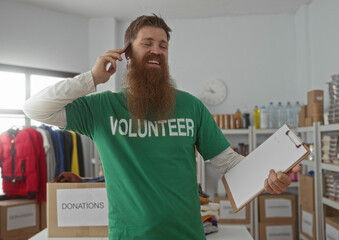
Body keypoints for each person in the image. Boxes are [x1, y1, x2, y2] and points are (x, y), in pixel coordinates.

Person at [23, 14, 301, 239]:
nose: (156, 50)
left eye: (163, 45)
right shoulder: (101, 109)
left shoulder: (191, 106)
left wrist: (270, 177)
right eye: (147, 43)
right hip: (128, 236)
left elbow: (229, 164)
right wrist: (92, 78)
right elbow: (34, 108)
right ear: (127, 52)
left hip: (188, 235)